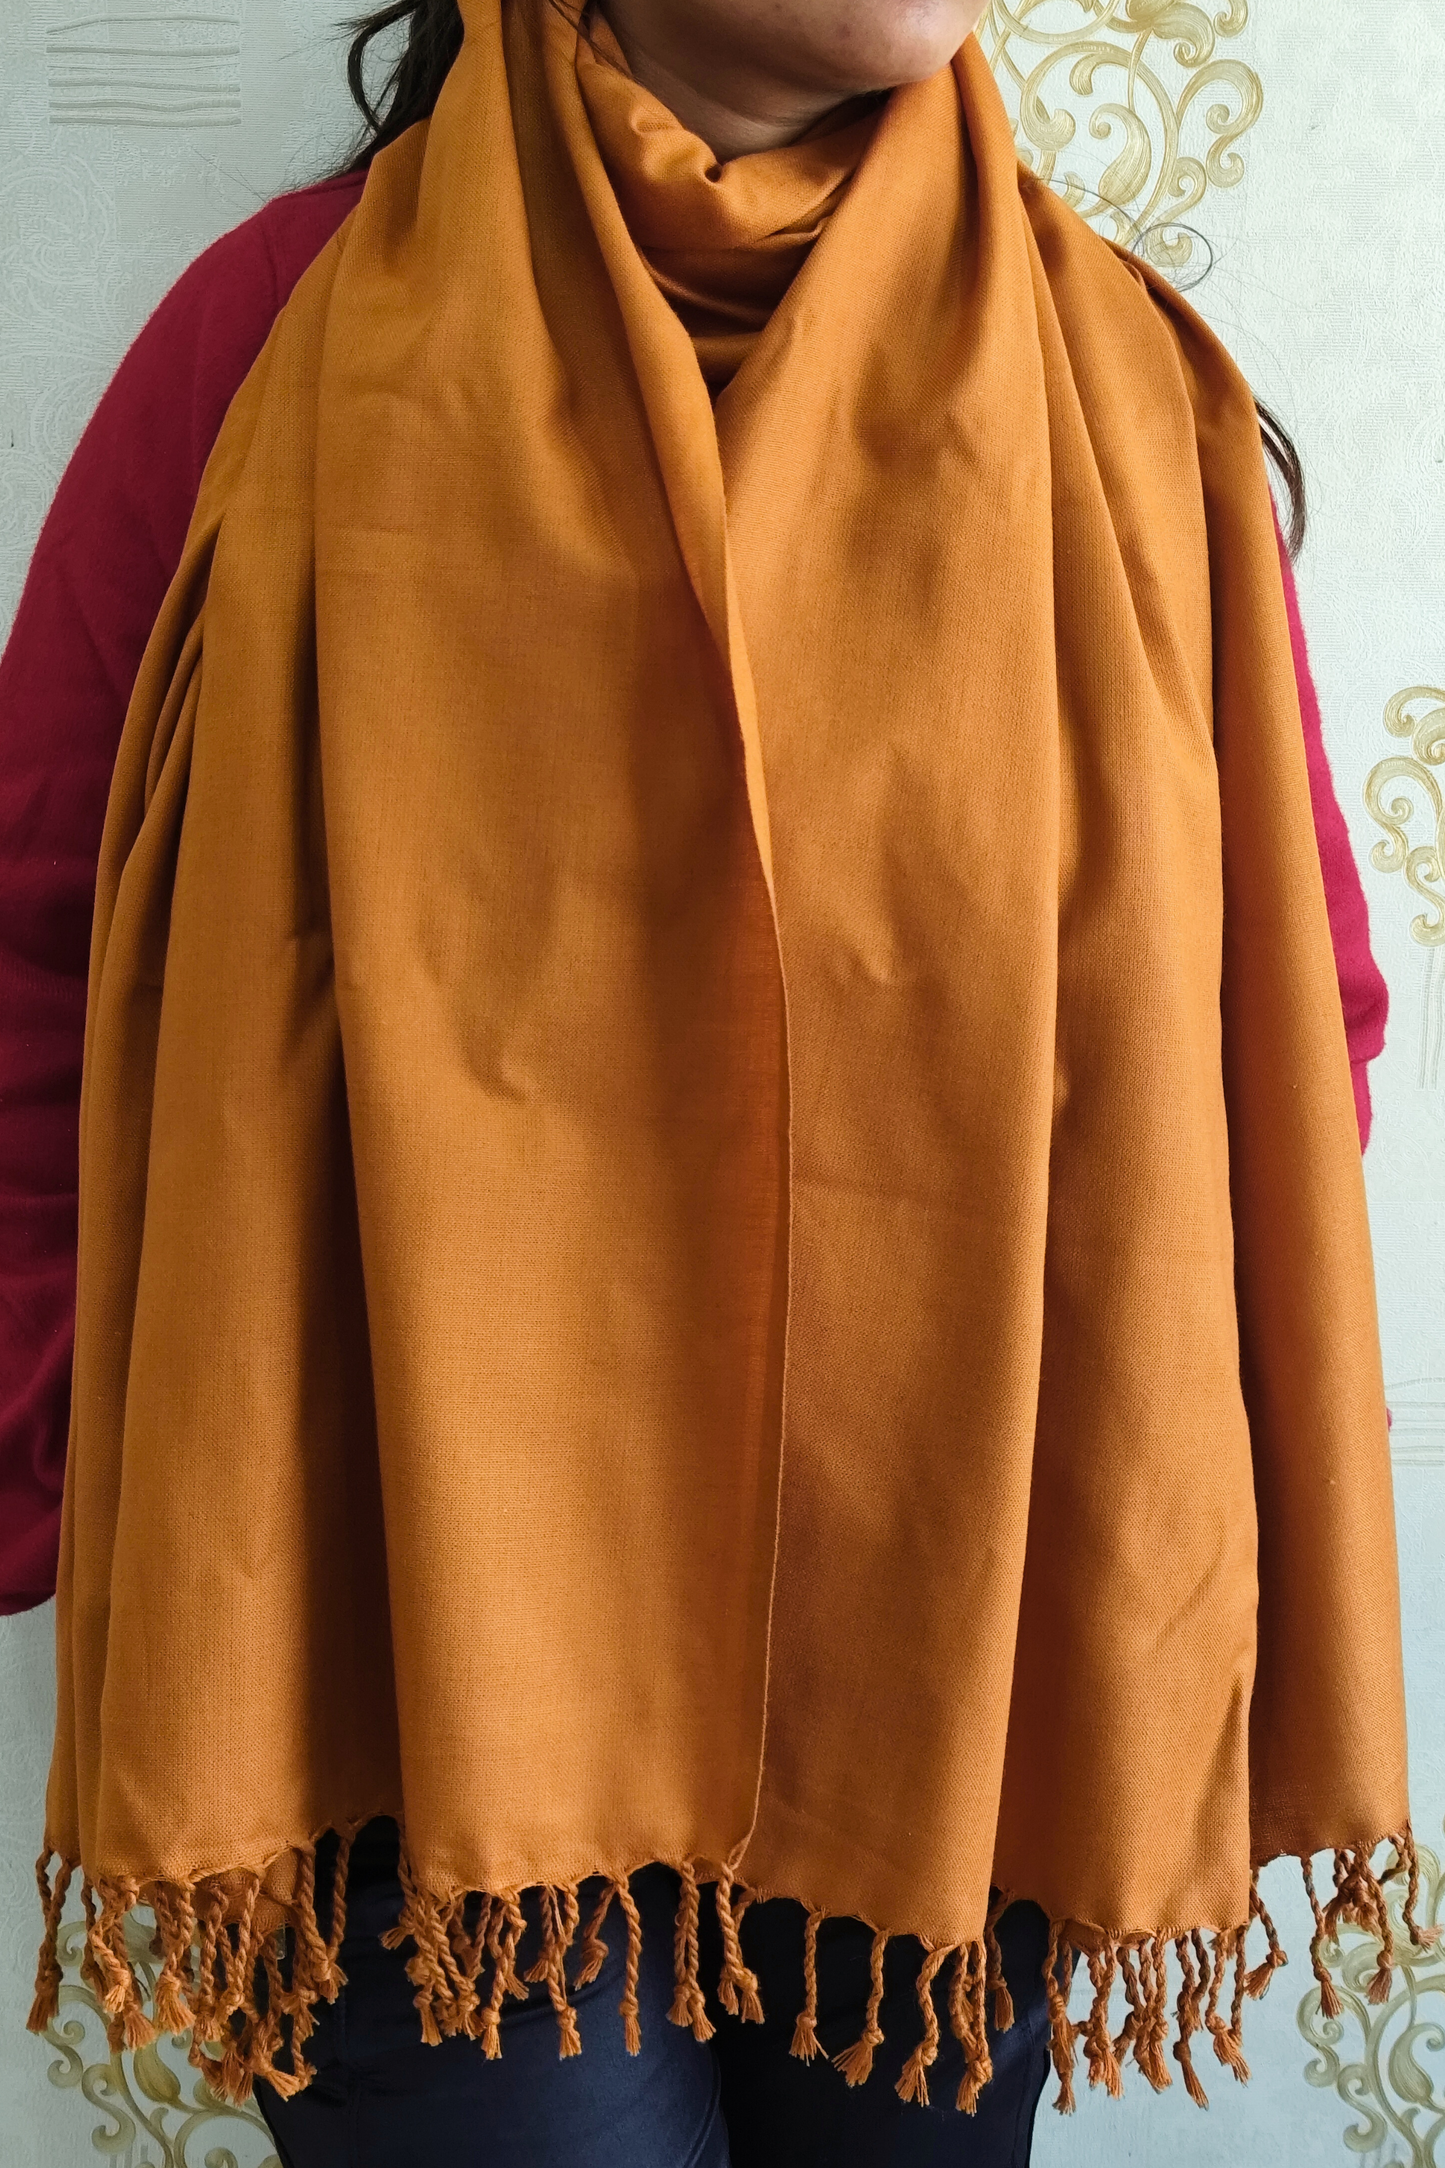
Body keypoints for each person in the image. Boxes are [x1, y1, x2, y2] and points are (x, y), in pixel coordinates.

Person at [6, 2, 1413, 2165]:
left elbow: (1282, 1019)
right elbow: (39, 958)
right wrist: (127, 1475)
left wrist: (1116, 1493)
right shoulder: (272, 350)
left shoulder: (1118, 388)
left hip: (950, 1644)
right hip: (411, 1649)